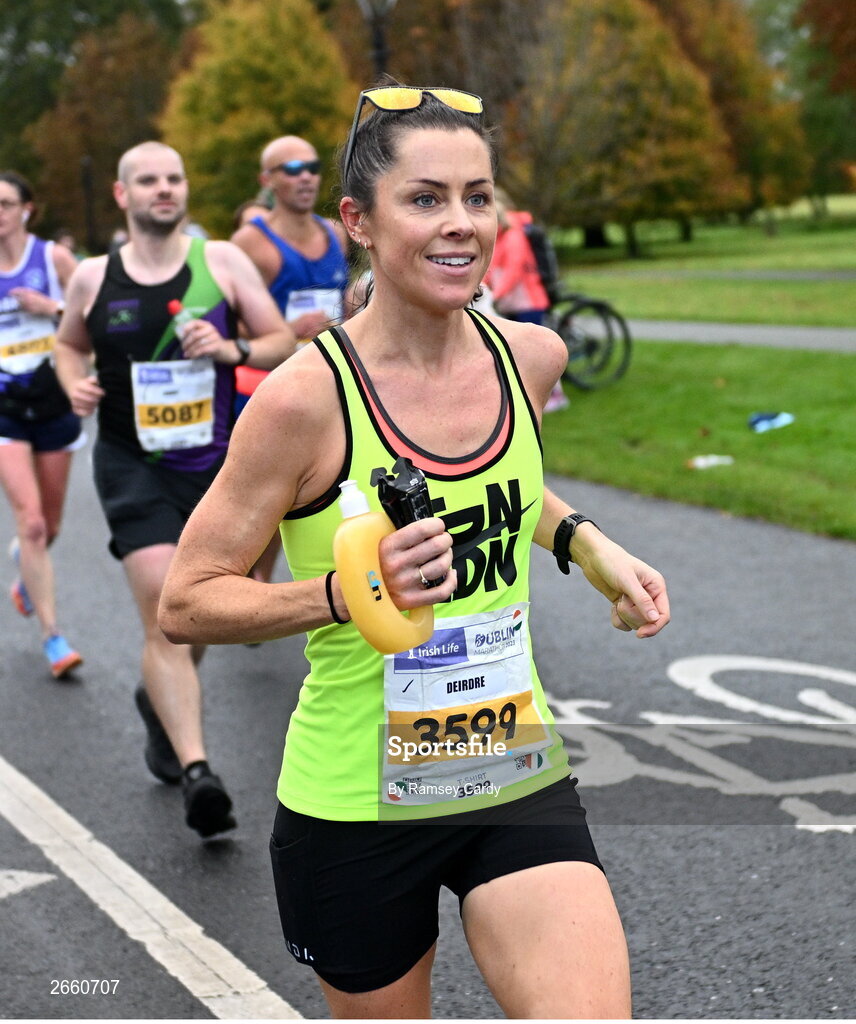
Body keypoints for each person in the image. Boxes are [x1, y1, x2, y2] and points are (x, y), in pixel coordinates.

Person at [158, 86, 669, 1016]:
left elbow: (501, 487)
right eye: (426, 198)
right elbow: (188, 599)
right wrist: (349, 594)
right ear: (358, 219)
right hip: (357, 805)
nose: (461, 224)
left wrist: (586, 542)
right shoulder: (303, 401)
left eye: (478, 197)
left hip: (512, 765)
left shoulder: (530, 358)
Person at [54, 141, 296, 839]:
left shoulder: (218, 263)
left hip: (219, 469)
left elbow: (280, 338)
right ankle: (198, 773)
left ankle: (157, 700)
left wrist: (231, 351)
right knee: (167, 610)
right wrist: (76, 380)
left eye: (174, 178)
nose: (165, 189)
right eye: (149, 181)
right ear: (122, 196)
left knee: (199, 615)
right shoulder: (94, 278)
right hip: (133, 464)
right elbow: (69, 343)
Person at [230, 136, 351, 585]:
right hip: (267, 391)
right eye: (291, 168)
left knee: (312, 491)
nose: (305, 176)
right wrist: (289, 327)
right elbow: (227, 322)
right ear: (268, 181)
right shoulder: (251, 242)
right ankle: (244, 575)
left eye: (312, 166)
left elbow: (345, 302)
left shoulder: (335, 233)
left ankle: (264, 576)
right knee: (268, 496)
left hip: (328, 385)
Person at [0, 170, 85, 678]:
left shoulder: (53, 259)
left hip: (53, 400)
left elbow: (90, 317)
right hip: (5, 404)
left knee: (49, 525)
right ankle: (54, 637)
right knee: (30, 522)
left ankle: (25, 571)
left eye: (6, 204)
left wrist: (51, 307)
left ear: (27, 209)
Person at [485, 187, 568, 412]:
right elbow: (492, 268)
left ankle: (556, 395)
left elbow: (514, 269)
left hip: (528, 301)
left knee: (538, 351)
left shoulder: (514, 235)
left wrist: (496, 294)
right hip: (509, 302)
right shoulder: (499, 236)